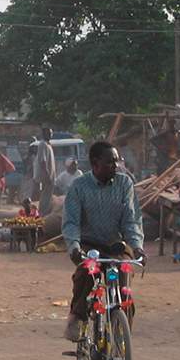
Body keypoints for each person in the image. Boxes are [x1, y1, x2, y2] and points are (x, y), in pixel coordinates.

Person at [61, 141, 144, 342]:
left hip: (116, 245)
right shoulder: (79, 186)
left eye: (117, 161)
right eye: (110, 162)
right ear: (95, 164)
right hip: (90, 245)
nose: (116, 166)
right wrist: (74, 246)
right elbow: (71, 222)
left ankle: (121, 352)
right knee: (86, 274)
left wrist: (138, 247)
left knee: (125, 294)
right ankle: (77, 318)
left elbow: (131, 220)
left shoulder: (125, 184)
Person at [34, 128, 57, 215]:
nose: (51, 135)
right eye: (49, 133)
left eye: (51, 133)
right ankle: (43, 213)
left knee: (48, 195)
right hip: (46, 175)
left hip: (50, 175)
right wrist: (47, 174)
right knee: (45, 195)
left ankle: (44, 212)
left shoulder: (48, 144)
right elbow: (42, 161)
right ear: (44, 134)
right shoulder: (42, 144)